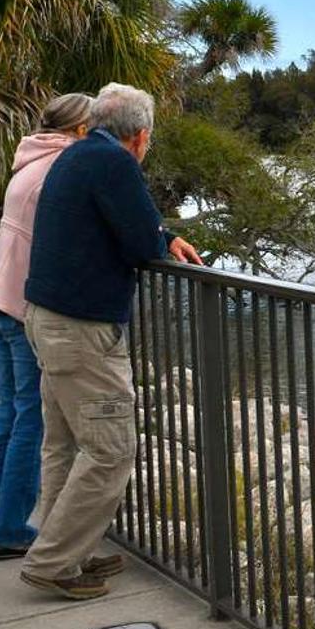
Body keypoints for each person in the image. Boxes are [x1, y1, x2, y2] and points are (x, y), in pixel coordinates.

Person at [20, 83, 202, 600]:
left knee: (63, 446)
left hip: (48, 318)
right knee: (111, 451)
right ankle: (53, 562)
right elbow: (141, 239)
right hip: (82, 330)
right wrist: (160, 240)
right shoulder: (115, 164)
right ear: (140, 136)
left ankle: (64, 548)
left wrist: (165, 237)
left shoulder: (78, 155)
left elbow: (133, 227)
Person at [0, 93, 91, 560]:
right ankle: (12, 529)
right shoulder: (59, 171)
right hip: (21, 304)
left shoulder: (27, 163)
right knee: (29, 420)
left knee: (9, 414)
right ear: (79, 129)